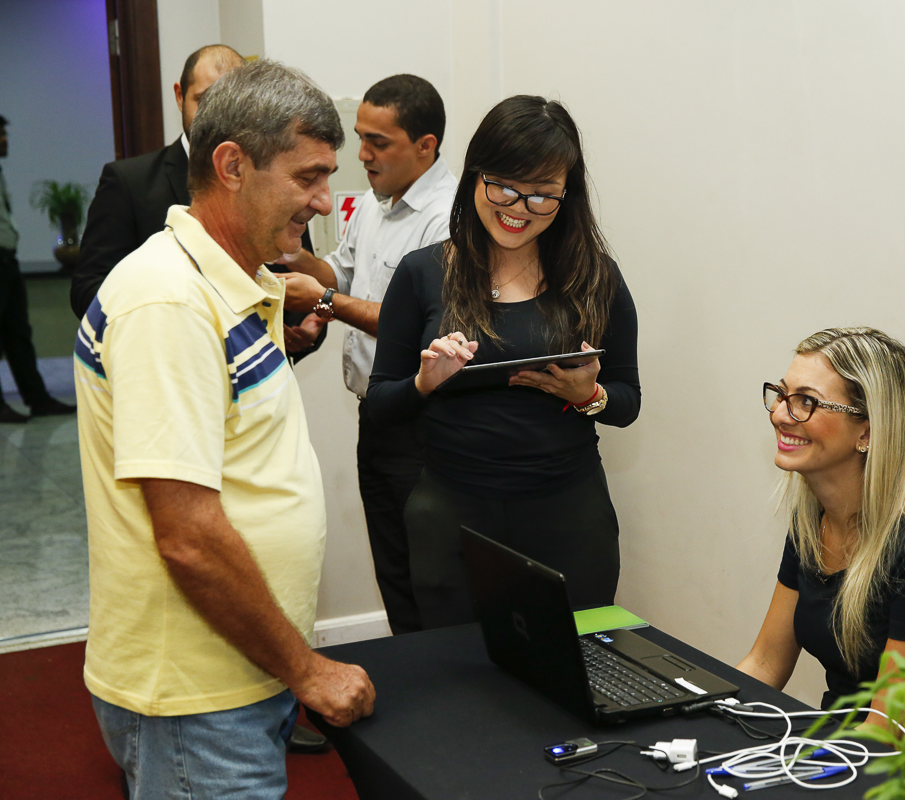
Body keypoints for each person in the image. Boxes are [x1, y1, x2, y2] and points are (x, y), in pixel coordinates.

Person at [74, 61, 375, 798]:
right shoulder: (168, 303)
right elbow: (187, 533)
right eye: (306, 178)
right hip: (194, 696)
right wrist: (308, 670)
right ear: (232, 165)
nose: (319, 202)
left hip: (240, 666)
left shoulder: (224, 281)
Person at [364, 95, 640, 630]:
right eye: (505, 187)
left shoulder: (595, 278)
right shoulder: (423, 273)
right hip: (452, 516)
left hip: (568, 512)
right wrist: (423, 383)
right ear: (475, 176)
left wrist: (589, 396)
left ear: (568, 195)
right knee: (461, 679)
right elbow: (380, 405)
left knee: (576, 671)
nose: (519, 208)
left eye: (543, 196)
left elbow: (627, 402)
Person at [737, 327, 905, 726]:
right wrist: (696, 712)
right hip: (844, 743)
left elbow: (889, 729)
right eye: (782, 394)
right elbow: (766, 663)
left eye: (806, 401)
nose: (780, 413)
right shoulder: (811, 519)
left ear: (868, 431)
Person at [280, 74, 457, 635]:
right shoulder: (377, 203)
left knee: (432, 575)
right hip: (376, 414)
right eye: (361, 137)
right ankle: (412, 676)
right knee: (393, 566)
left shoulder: (446, 217)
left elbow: (416, 330)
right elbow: (342, 272)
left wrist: (324, 301)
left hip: (427, 422)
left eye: (379, 142)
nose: (364, 155)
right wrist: (290, 248)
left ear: (425, 146)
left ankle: (442, 693)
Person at [71, 45, 326, 362]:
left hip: (262, 371)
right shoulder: (129, 181)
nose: (219, 118)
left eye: (235, 105)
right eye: (205, 101)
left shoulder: (275, 179)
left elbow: (299, 272)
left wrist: (305, 326)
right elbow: (88, 289)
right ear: (180, 96)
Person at [0, 110, 76, 423]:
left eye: (4, 134)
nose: (3, 139)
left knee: (18, 335)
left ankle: (37, 399)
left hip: (3, 262)